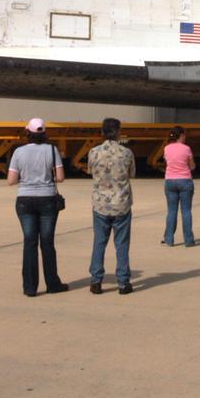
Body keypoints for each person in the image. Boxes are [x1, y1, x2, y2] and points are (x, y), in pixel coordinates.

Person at [7, 118, 68, 297]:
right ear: (44, 133)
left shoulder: (18, 152)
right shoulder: (52, 149)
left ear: (28, 132)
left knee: (29, 242)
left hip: (25, 200)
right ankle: (52, 283)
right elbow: (61, 177)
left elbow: (11, 180)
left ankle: (30, 287)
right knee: (47, 243)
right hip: (47, 199)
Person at [87, 117, 135, 295]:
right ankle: (123, 282)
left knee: (99, 242)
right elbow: (132, 174)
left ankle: (96, 281)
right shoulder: (126, 153)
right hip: (121, 203)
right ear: (118, 132)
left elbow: (90, 171)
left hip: (100, 204)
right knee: (121, 244)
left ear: (102, 132)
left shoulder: (93, 152)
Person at [161, 126, 196, 247]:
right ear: (181, 135)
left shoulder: (166, 148)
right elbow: (192, 166)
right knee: (186, 211)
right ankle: (188, 240)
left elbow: (167, 163)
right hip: (185, 180)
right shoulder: (187, 148)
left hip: (170, 180)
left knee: (171, 211)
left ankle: (169, 239)